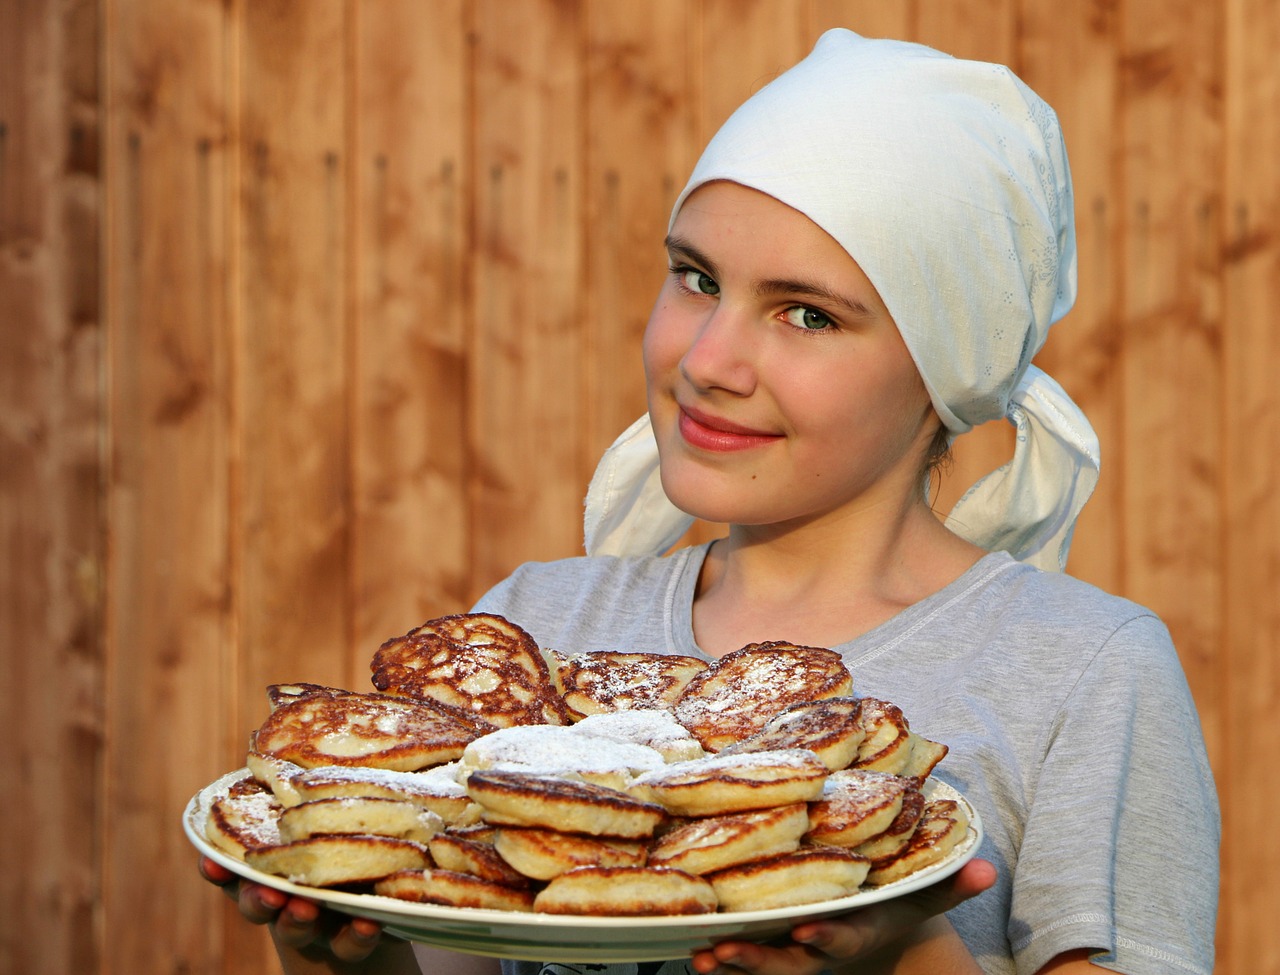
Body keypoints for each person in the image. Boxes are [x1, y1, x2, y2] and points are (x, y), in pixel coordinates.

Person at [200, 28, 1219, 975]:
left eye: (806, 314)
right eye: (694, 279)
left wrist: (898, 958)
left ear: (943, 365)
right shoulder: (535, 630)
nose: (707, 359)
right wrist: (349, 954)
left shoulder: (1080, 672)